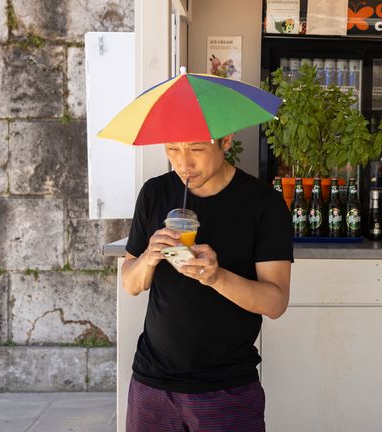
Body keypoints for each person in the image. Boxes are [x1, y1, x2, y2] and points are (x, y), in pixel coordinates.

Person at [121, 134, 293, 432]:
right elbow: (130, 283)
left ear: (225, 141)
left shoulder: (263, 203)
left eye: (197, 149)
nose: (183, 163)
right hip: (152, 385)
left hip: (226, 388)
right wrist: (148, 257)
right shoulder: (154, 193)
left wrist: (217, 277)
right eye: (172, 149)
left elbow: (275, 302)